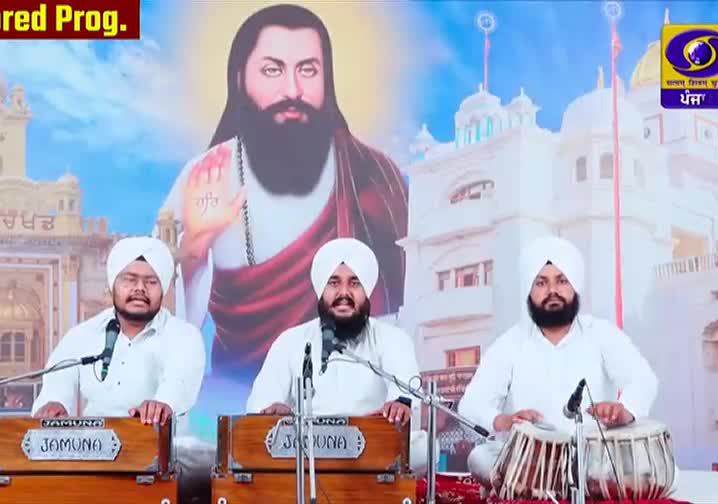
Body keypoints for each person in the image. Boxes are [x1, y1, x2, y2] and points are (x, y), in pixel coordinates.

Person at [157, 3, 408, 383]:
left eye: (308, 70)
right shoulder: (206, 176)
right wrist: (195, 247)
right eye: (272, 70)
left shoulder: (375, 177)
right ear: (241, 78)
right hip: (240, 398)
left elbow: (401, 308)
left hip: (347, 389)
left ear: (328, 79)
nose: (293, 90)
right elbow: (158, 317)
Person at [458, 235, 659, 482]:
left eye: (561, 281)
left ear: (575, 286)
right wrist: (502, 420)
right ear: (529, 292)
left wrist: (624, 410)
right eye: (541, 283)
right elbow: (471, 403)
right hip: (529, 461)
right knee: (481, 457)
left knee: (635, 463)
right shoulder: (511, 342)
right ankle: (535, 481)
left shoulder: (601, 333)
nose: (552, 291)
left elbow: (643, 380)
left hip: (591, 457)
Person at [31, 236, 212, 502]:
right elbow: (57, 385)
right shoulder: (82, 335)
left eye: (151, 282)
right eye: (129, 279)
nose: (139, 288)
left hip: (162, 459)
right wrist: (53, 404)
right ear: (112, 285)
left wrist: (162, 404)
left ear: (163, 289)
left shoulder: (183, 335)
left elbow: (180, 381)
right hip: (93, 456)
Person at [246, 238, 434, 474]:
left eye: (354, 283)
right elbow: (261, 400)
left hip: (372, 446)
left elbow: (406, 390)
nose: (344, 293)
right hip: (305, 448)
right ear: (320, 289)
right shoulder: (291, 341)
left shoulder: (392, 338)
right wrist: (273, 408)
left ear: (367, 291)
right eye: (334, 283)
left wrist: (399, 404)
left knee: (421, 449)